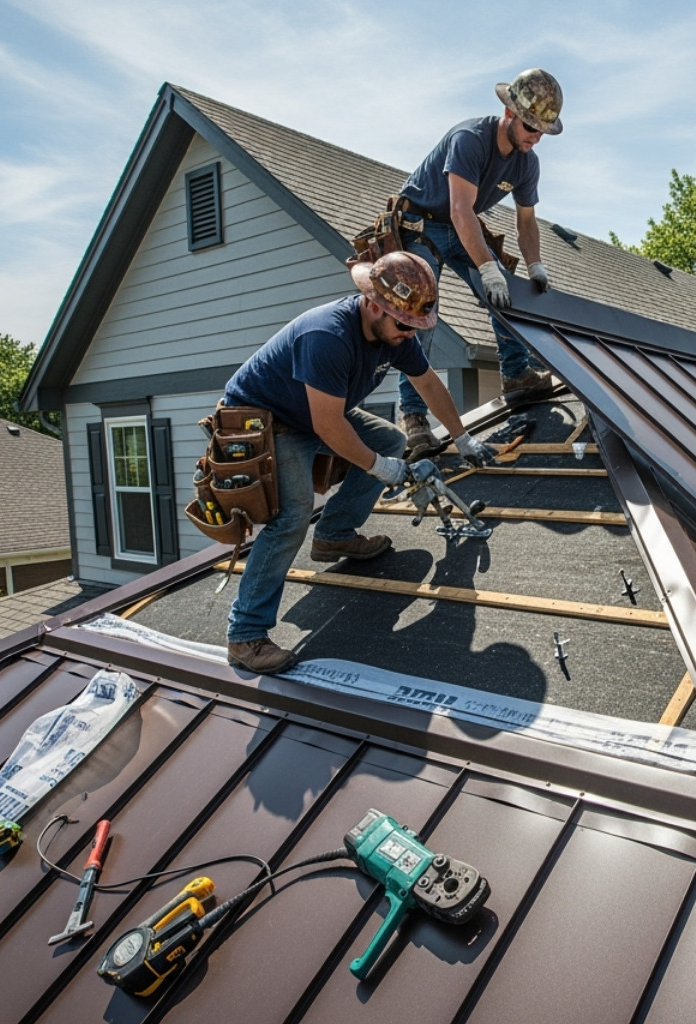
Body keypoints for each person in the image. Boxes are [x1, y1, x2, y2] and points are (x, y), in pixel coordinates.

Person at [221, 251, 495, 674]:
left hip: (313, 410)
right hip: (268, 419)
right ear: (372, 304)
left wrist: (461, 436)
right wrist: (380, 468)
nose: (409, 334)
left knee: (391, 438)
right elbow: (328, 428)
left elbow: (427, 384)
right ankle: (245, 636)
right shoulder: (327, 336)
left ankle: (334, 534)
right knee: (291, 516)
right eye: (404, 325)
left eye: (415, 326)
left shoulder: (394, 333)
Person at [393, 68, 564, 458]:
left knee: (508, 290)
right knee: (420, 313)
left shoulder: (526, 163)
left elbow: (526, 222)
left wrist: (535, 266)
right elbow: (459, 208)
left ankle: (516, 375)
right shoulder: (469, 139)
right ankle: (415, 419)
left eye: (541, 132)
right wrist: (485, 268)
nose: (534, 137)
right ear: (508, 113)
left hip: (459, 223)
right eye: (529, 127)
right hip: (421, 225)